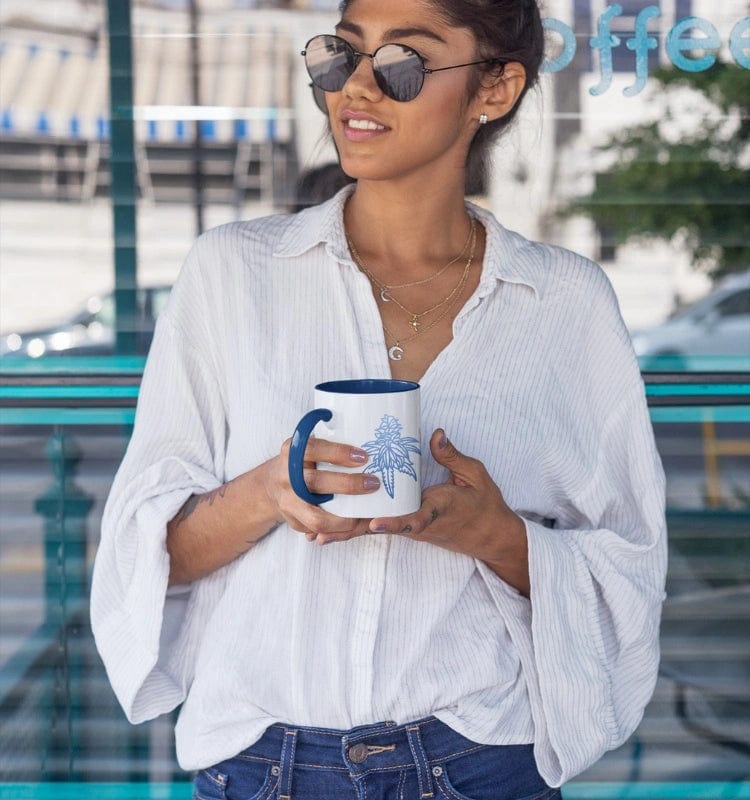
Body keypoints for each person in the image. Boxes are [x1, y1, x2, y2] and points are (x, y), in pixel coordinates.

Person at [91, 0, 668, 797]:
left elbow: (628, 566)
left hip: (481, 759)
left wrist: (498, 536)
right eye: (340, 56)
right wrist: (270, 491)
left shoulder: (564, 302)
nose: (355, 88)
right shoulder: (231, 275)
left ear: (495, 89)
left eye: (403, 63)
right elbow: (150, 558)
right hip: (265, 765)